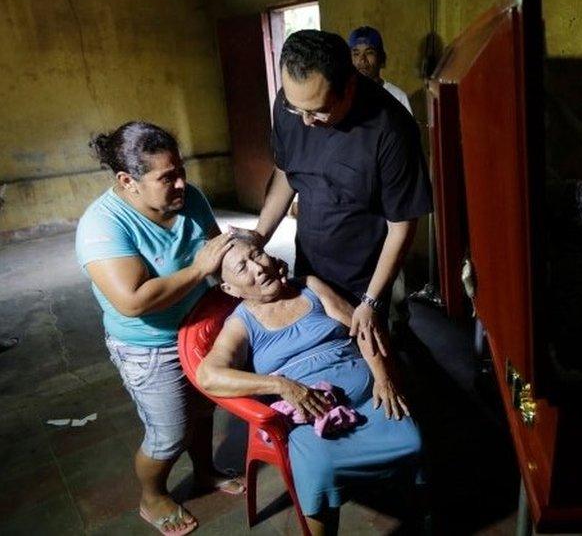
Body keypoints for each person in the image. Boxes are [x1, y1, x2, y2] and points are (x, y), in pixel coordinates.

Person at [75, 121, 246, 536]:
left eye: (181, 170)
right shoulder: (103, 226)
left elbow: (214, 250)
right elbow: (132, 301)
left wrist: (245, 256)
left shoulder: (191, 199)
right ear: (127, 181)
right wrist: (200, 267)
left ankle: (205, 470)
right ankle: (152, 497)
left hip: (198, 328)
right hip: (148, 346)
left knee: (204, 408)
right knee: (168, 432)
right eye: (166, 177)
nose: (182, 183)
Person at [195, 240, 422, 536]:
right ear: (231, 289)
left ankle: (419, 516)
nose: (258, 267)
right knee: (319, 468)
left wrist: (383, 377)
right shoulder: (241, 323)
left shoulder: (309, 286)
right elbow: (209, 375)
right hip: (312, 418)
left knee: (413, 441)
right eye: (243, 267)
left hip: (370, 397)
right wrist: (281, 385)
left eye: (257, 254)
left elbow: (361, 325)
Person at [250, 30, 432, 359]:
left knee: (376, 359)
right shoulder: (290, 105)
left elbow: (401, 225)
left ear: (349, 86)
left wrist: (372, 299)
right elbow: (286, 174)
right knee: (323, 351)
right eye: (296, 108)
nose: (305, 122)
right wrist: (259, 236)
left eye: (318, 111)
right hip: (310, 264)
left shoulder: (391, 129)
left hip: (366, 274)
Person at [349, 25, 412, 114]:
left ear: (381, 58)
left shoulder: (397, 97)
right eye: (356, 54)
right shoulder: (343, 98)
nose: (362, 59)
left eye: (369, 53)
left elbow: (408, 128)